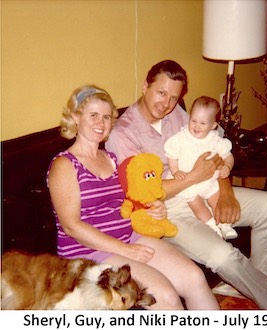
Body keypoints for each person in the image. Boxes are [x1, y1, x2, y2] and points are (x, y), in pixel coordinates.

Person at [106, 60, 267, 310]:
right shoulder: (123, 134)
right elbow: (143, 195)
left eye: (174, 97)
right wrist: (192, 176)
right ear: (145, 86)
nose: (166, 104)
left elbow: (215, 146)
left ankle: (259, 280)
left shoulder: (176, 114)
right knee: (222, 256)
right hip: (167, 211)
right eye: (161, 93)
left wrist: (226, 193)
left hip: (208, 188)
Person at [46, 85, 219, 310]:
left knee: (194, 277)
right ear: (76, 117)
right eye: (93, 115)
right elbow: (72, 227)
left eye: (107, 116)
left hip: (129, 237)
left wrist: (153, 208)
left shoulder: (112, 158)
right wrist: (125, 251)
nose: (101, 122)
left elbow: (134, 199)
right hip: (87, 253)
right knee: (165, 297)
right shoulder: (64, 165)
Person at [164, 96, 238, 240]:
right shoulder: (181, 138)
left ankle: (224, 224)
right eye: (193, 121)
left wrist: (228, 166)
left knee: (216, 199)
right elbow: (172, 156)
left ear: (213, 125)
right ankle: (211, 226)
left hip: (209, 180)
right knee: (197, 205)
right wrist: (176, 171)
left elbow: (228, 156)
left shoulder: (215, 140)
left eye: (203, 123)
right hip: (187, 180)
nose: (196, 126)